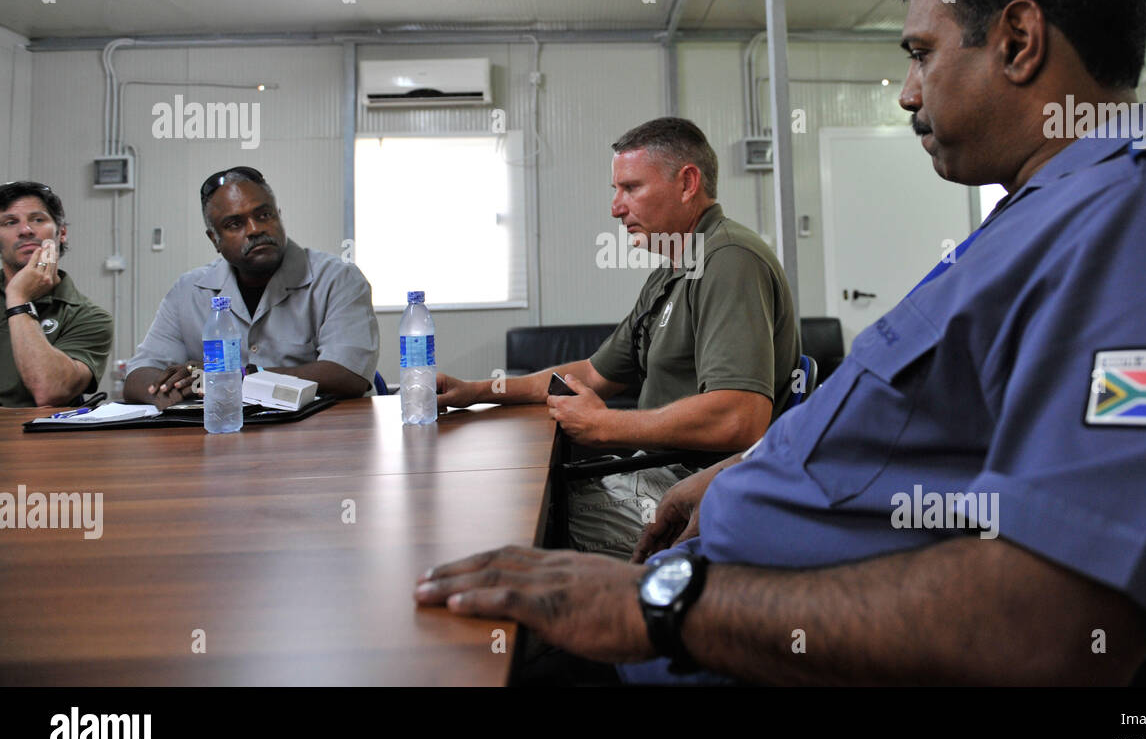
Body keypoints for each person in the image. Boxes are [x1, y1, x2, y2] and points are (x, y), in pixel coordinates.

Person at [413, 0, 1146, 685]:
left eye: (920, 54)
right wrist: (734, 474)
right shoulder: (1047, 215)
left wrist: (656, 606)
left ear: (1019, 42)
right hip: (712, 587)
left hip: (730, 641)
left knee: (456, 651)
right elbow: (914, 435)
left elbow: (1053, 623)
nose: (909, 93)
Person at [436, 117, 801, 557]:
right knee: (511, 496)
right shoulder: (674, 268)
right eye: (617, 191)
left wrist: (608, 426)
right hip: (654, 470)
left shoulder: (728, 261)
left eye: (630, 188)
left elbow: (739, 418)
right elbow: (594, 373)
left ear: (687, 183)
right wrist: (478, 389)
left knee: (511, 523)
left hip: (693, 492)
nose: (615, 207)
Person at [124, 167, 379, 408]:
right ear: (214, 239)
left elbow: (347, 375)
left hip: (320, 437)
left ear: (279, 215)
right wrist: (169, 388)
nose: (255, 229)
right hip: (222, 437)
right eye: (235, 224)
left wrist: (235, 377)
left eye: (264, 215)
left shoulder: (337, 278)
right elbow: (138, 375)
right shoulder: (189, 290)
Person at [0, 182, 113, 408]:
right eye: (11, 222)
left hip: (41, 439)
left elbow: (50, 391)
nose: (25, 230)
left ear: (61, 233)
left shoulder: (89, 316)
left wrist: (18, 299)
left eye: (38, 219)